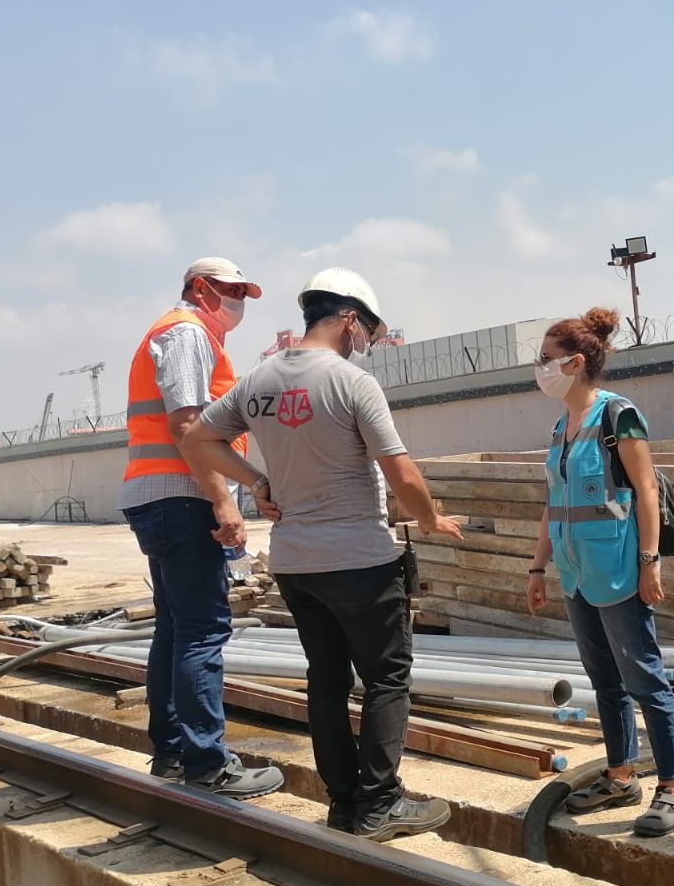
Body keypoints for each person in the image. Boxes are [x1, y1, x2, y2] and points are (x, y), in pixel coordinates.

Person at [183, 267, 464, 841]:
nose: (368, 343)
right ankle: (381, 803)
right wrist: (430, 517)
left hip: (294, 563)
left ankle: (343, 803)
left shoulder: (258, 380)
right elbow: (401, 472)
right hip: (359, 559)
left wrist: (257, 481)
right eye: (369, 332)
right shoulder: (351, 382)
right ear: (350, 320)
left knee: (327, 679)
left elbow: (196, 438)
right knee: (387, 677)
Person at [119, 257, 284, 800]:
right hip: (183, 499)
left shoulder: (178, 334)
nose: (238, 302)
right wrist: (225, 501)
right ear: (202, 288)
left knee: (173, 627)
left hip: (158, 498)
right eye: (232, 290)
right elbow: (188, 425)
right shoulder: (187, 333)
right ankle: (207, 763)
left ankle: (171, 752)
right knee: (203, 632)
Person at [523, 307, 674, 837]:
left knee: (644, 677)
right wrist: (536, 567)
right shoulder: (560, 427)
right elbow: (554, 504)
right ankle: (621, 776)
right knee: (605, 681)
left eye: (546, 359)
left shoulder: (618, 416)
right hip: (577, 573)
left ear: (575, 363)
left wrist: (650, 562)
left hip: (619, 569)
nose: (539, 367)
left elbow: (645, 492)